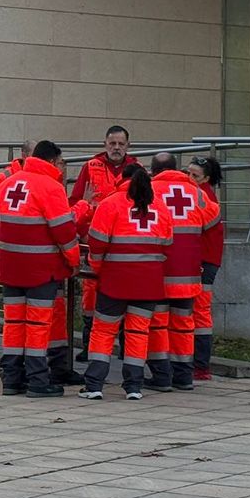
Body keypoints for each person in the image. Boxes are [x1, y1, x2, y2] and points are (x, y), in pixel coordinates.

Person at [0, 140, 83, 387]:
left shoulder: (7, 183)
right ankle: (38, 380)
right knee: (38, 325)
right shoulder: (51, 187)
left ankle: (11, 378)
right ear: (51, 161)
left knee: (14, 324)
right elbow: (64, 231)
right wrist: (74, 260)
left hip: (10, 267)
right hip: (41, 269)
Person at [80, 164, 170, 401]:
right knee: (138, 333)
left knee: (103, 331)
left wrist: (98, 267)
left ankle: (94, 385)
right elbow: (167, 241)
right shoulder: (159, 205)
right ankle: (134, 387)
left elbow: (97, 241)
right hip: (149, 282)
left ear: (122, 179)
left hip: (115, 280)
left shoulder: (111, 203)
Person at [146, 151, 218, 392]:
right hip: (187, 274)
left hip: (159, 272)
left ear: (154, 171)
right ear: (176, 168)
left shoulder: (149, 190)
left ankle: (161, 376)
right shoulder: (196, 192)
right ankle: (184, 376)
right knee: (184, 326)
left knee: (158, 325)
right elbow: (213, 217)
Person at [70, 126, 139, 358]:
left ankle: (125, 345)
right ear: (105, 144)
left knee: (127, 292)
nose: (116, 148)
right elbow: (77, 200)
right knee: (91, 295)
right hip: (94, 240)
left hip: (124, 241)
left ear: (128, 145)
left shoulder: (137, 170)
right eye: (112, 143)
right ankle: (89, 345)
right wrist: (81, 233)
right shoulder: (90, 167)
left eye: (121, 143)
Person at [185, 154, 225, 381]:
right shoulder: (201, 195)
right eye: (187, 173)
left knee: (199, 313)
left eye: (194, 175)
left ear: (206, 178)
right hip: (204, 261)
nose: (189, 178)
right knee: (198, 313)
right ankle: (198, 364)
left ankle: (200, 365)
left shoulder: (204, 198)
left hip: (204, 262)